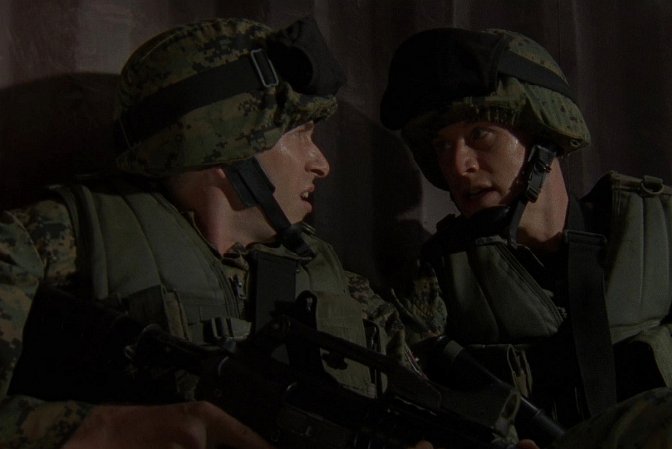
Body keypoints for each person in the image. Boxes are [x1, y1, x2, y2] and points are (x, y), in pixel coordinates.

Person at [0, 17, 412, 449]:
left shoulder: (336, 279)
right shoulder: (54, 237)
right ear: (228, 144)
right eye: (300, 134)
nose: (321, 164)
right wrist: (107, 429)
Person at [379, 27, 672, 449]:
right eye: (442, 146)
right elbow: (410, 404)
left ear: (543, 132)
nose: (459, 165)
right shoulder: (440, 277)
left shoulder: (659, 240)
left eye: (479, 134)